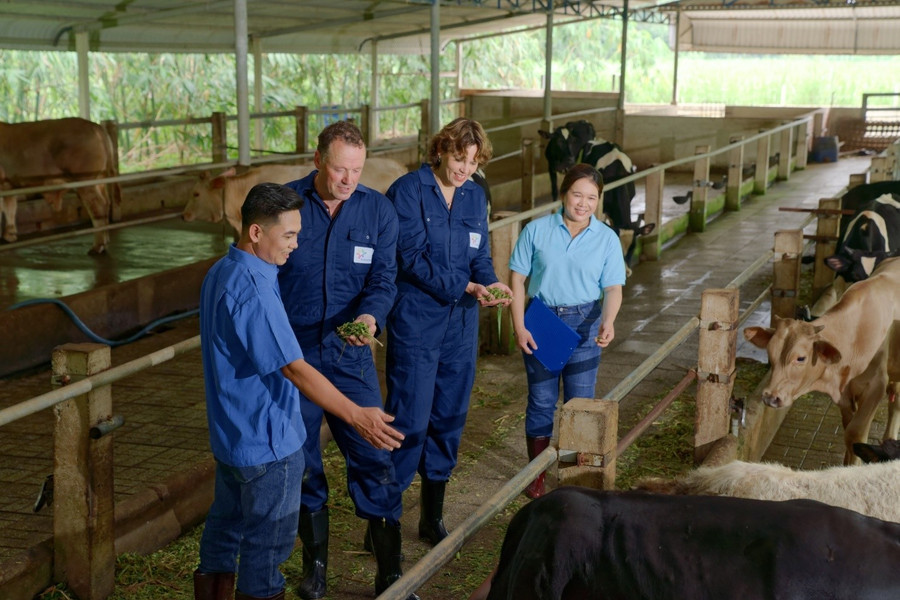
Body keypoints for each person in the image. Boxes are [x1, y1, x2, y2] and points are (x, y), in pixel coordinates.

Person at [195, 182, 403, 600]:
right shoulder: (254, 288)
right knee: (266, 552)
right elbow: (294, 368)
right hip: (269, 443)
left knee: (223, 534)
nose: (295, 245)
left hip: (232, 438)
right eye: (288, 235)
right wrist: (357, 414)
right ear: (256, 232)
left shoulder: (222, 270)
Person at [277, 120, 415, 600]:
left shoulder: (378, 211)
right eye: (340, 169)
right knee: (301, 458)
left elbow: (383, 279)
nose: (349, 180)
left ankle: (391, 572)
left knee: (375, 451)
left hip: (350, 351)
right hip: (293, 356)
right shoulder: (285, 205)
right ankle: (315, 568)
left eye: (356, 170)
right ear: (318, 161)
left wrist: (371, 318)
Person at [384, 117, 513, 547]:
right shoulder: (407, 191)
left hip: (460, 326)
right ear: (440, 150)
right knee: (409, 420)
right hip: (417, 322)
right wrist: (465, 286)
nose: (464, 170)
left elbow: (479, 255)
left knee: (449, 418)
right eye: (459, 159)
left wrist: (490, 282)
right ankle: (384, 520)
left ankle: (431, 516)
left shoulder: (476, 197)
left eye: (472, 163)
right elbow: (411, 257)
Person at [508, 163, 626, 499]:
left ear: (599, 200)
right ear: (563, 194)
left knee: (580, 404)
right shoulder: (537, 229)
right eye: (577, 194)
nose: (583, 203)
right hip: (543, 321)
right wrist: (519, 326)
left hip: (587, 322)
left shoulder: (606, 238)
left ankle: (574, 476)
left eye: (592, 197)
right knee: (542, 401)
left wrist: (608, 320)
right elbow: (517, 278)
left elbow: (614, 287)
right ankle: (536, 476)